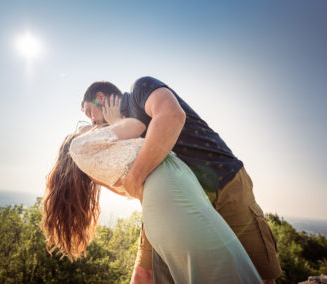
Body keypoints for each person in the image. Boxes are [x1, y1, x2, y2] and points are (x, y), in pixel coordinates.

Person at [81, 77, 282, 284]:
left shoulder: (141, 90)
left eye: (90, 113)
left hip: (225, 183)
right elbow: (130, 183)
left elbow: (171, 116)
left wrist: (136, 175)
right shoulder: (120, 128)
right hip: (175, 200)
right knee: (144, 275)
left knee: (259, 273)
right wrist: (118, 128)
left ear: (100, 98)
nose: (93, 122)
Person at [41, 117, 263, 283]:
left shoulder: (97, 170)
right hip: (170, 195)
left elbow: (133, 190)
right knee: (219, 262)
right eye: (83, 127)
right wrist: (115, 116)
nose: (90, 123)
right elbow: (138, 124)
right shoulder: (79, 146)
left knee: (204, 267)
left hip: (159, 206)